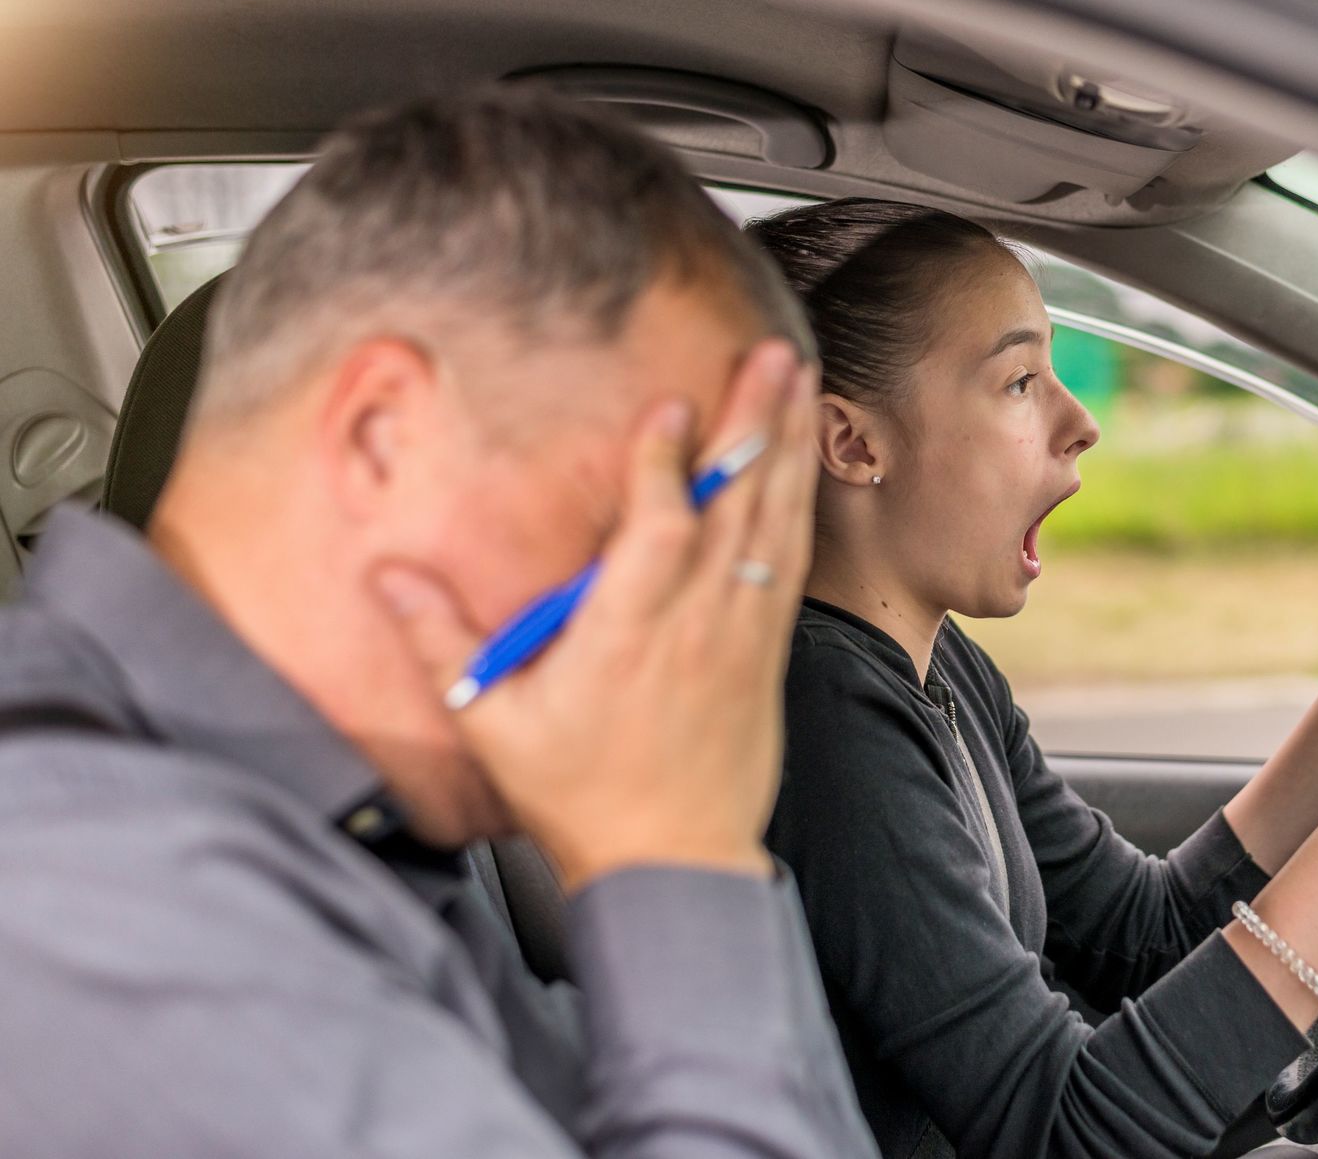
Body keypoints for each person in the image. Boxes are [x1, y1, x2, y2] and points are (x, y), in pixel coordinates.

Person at [0, 89, 879, 1157]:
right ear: (383, 436)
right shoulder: (90, 892)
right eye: (658, 517)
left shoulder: (361, 841)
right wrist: (675, 853)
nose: (700, 614)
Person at [752, 199, 1318, 1159]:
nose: (1080, 422)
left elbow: (1140, 934)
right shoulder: (822, 719)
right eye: (1020, 381)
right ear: (853, 442)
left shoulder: (934, 665)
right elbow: (1068, 1134)